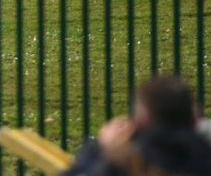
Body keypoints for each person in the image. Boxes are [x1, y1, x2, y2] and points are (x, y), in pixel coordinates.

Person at [63, 75, 211, 176]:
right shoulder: (203, 155)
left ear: (142, 121)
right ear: (194, 118)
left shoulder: (129, 162)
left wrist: (101, 148)